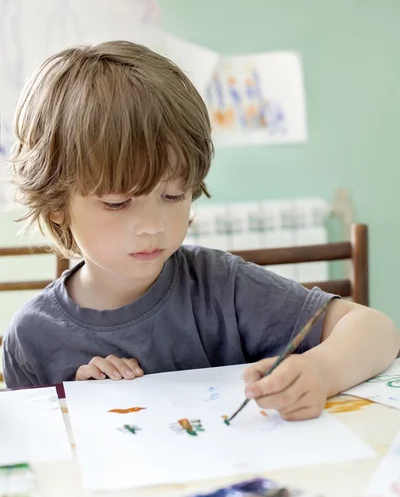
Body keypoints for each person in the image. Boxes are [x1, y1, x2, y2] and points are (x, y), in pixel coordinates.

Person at [3, 41, 399, 421]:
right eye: (118, 203)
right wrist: (82, 408)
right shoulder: (31, 339)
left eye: (174, 195)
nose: (153, 225)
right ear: (56, 205)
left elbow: (377, 331)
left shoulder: (221, 286)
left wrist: (320, 371)